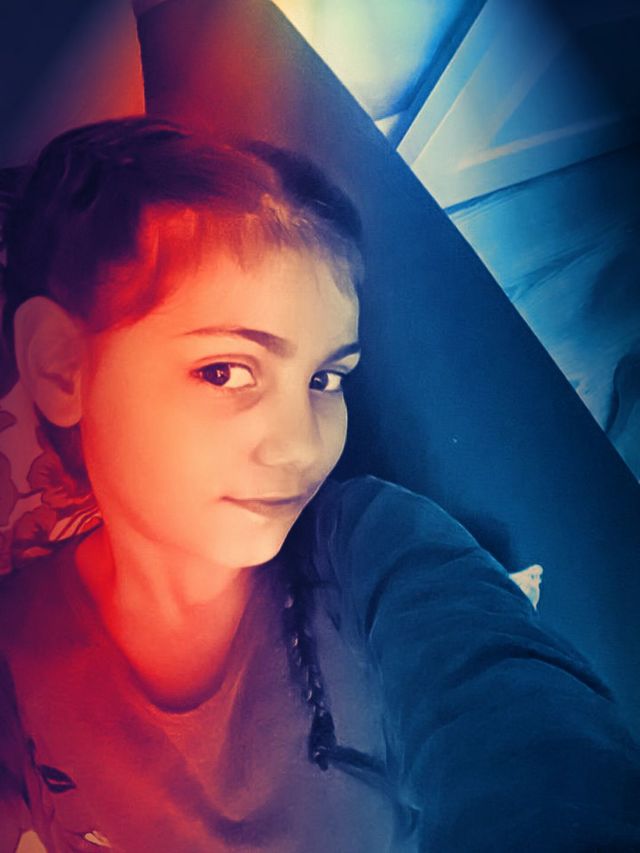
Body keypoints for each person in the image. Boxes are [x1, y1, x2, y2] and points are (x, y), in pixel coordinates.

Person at [0, 116, 639, 853]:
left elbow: (525, 732)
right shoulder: (19, 640)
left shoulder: (374, 546)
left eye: (326, 379)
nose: (304, 445)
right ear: (62, 369)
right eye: (226, 371)